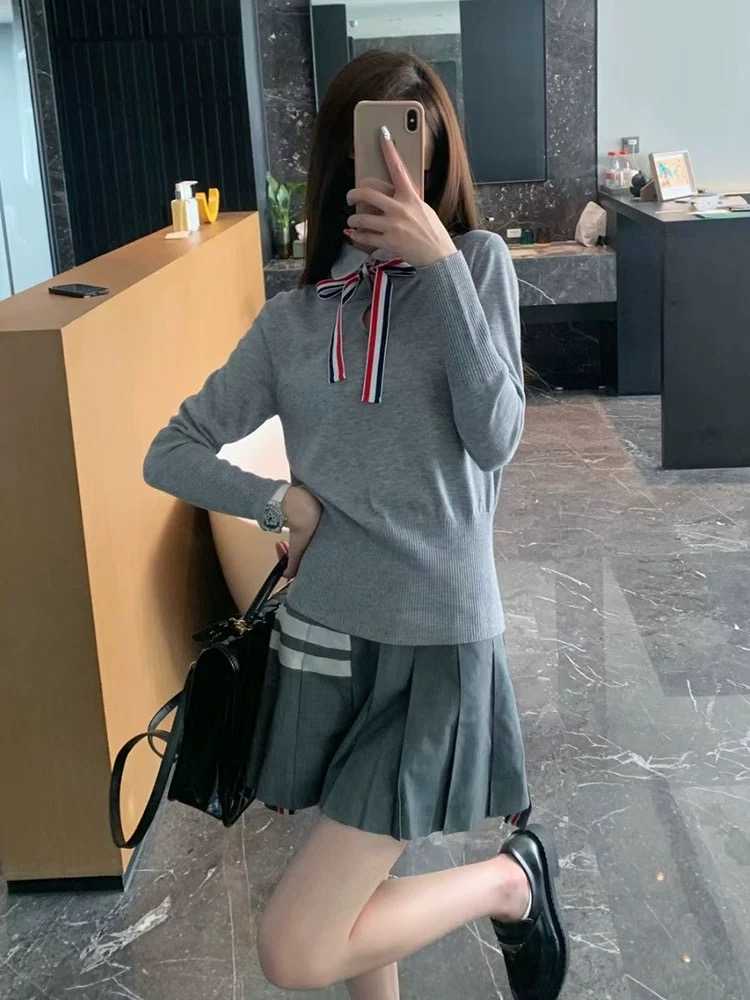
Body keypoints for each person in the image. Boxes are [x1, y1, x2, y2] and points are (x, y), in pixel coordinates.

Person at [142, 49, 568, 1000]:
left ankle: (510, 881)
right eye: (375, 150)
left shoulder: (477, 267)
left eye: (415, 150)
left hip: (436, 646)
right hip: (325, 646)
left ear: (439, 159)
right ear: (339, 164)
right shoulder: (294, 320)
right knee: (353, 905)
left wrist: (440, 263)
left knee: (297, 945)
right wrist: (277, 501)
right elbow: (169, 451)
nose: (396, 173)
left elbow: (497, 436)